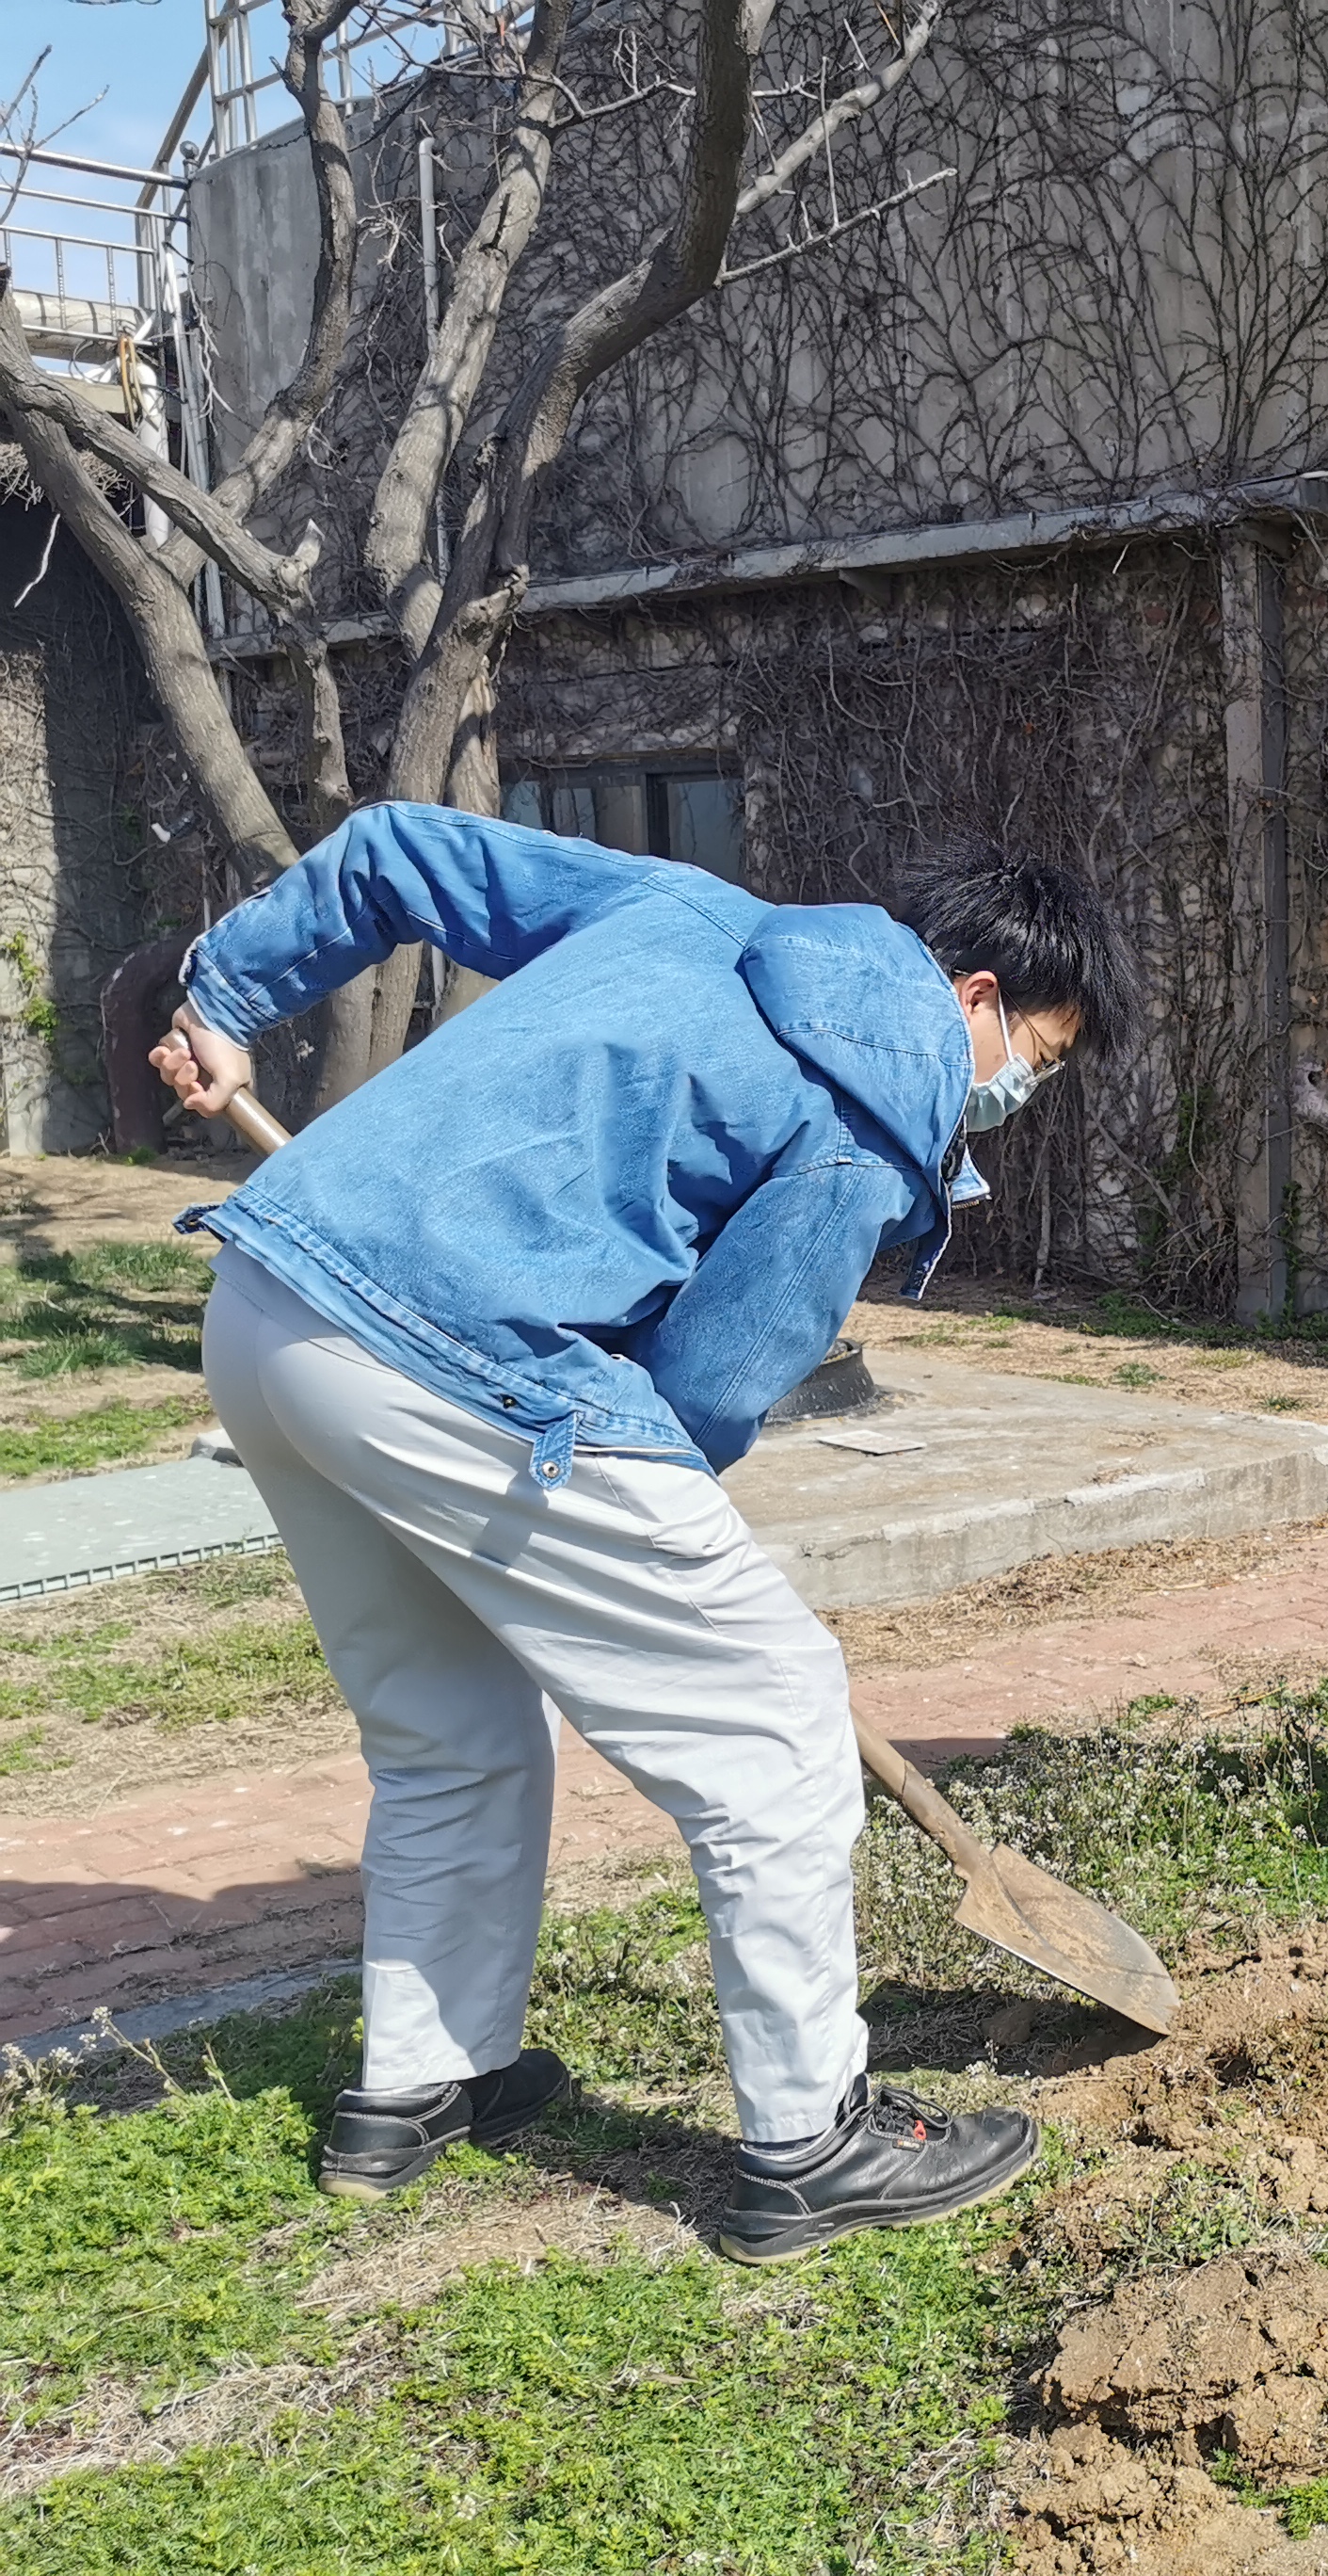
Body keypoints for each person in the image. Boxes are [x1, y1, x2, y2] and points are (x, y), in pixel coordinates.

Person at [151, 802, 1131, 2261]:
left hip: (273, 1305)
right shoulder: (865, 1119)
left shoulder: (688, 909)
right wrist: (659, 1495)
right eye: (1035, 1063)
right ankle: (812, 2139)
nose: (1012, 1097)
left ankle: (423, 2082)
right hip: (449, 1359)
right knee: (774, 1719)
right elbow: (712, 1385)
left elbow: (403, 850)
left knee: (449, 1721)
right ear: (974, 1000)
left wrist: (226, 996)